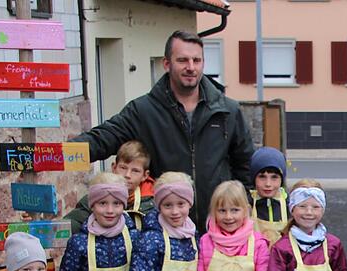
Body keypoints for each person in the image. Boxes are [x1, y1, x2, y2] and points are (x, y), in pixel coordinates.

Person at [74, 30, 254, 231]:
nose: (191, 67)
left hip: (218, 231)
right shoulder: (144, 111)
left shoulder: (228, 111)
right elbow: (103, 139)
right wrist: (50, 155)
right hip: (166, 233)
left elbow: (245, 165)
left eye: (197, 60)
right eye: (183, 60)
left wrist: (243, 207)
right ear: (166, 64)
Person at [65, 140, 155, 233]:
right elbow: (72, 224)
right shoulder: (96, 196)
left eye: (135, 171)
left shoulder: (152, 205)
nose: (127, 175)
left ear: (145, 175)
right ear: (114, 167)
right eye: (123, 168)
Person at [249, 147, 289, 247]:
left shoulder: (290, 205)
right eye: (262, 177)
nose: (268, 184)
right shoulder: (246, 204)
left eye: (274, 177)